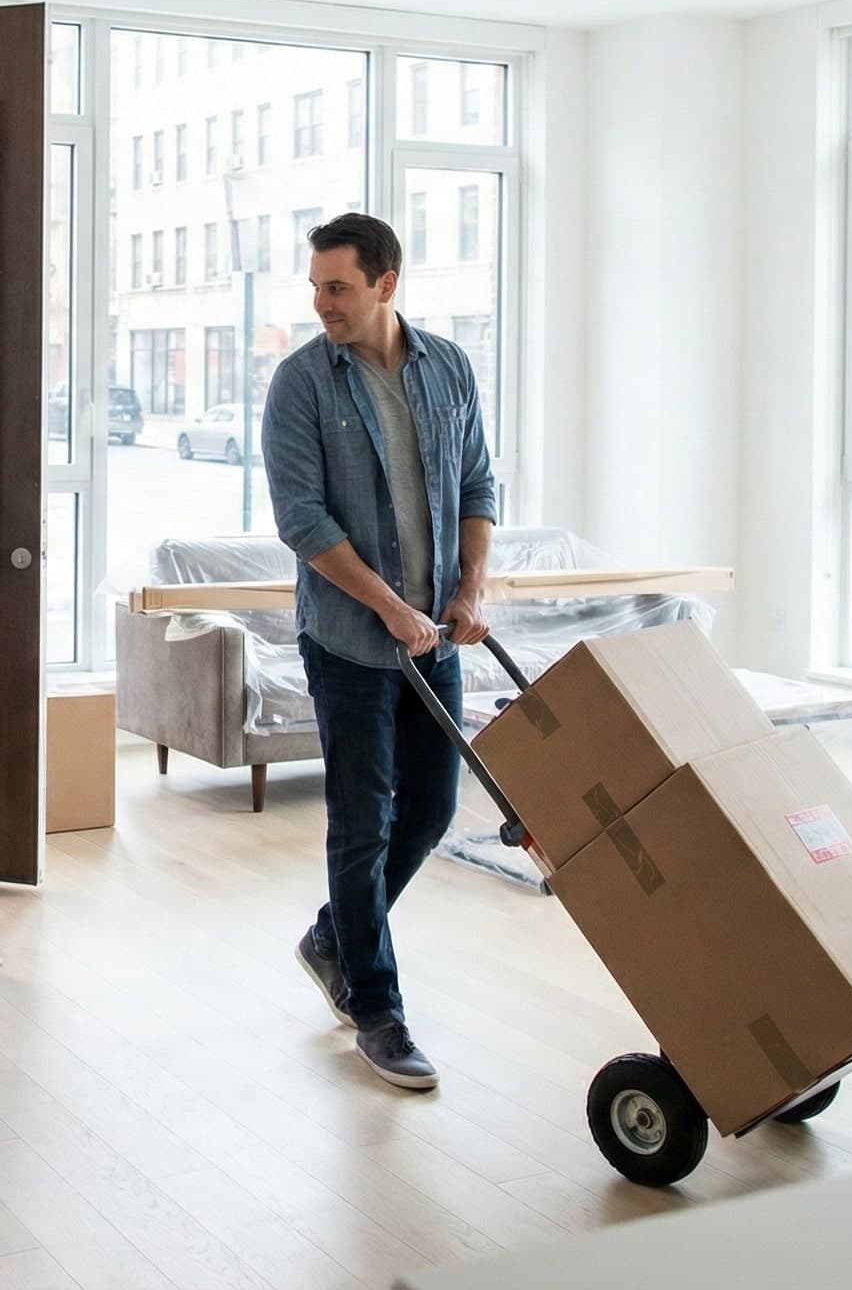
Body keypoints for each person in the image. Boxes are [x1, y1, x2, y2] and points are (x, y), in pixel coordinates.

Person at [263, 212, 497, 1089]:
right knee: (361, 826)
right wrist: (392, 607)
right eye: (317, 287)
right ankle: (378, 1008)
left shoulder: (449, 371)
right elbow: (302, 520)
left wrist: (469, 589)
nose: (321, 303)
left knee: (432, 812)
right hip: (352, 644)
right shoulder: (300, 385)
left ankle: (334, 938)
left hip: (436, 639)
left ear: (386, 285)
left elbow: (477, 484)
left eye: (338, 288)